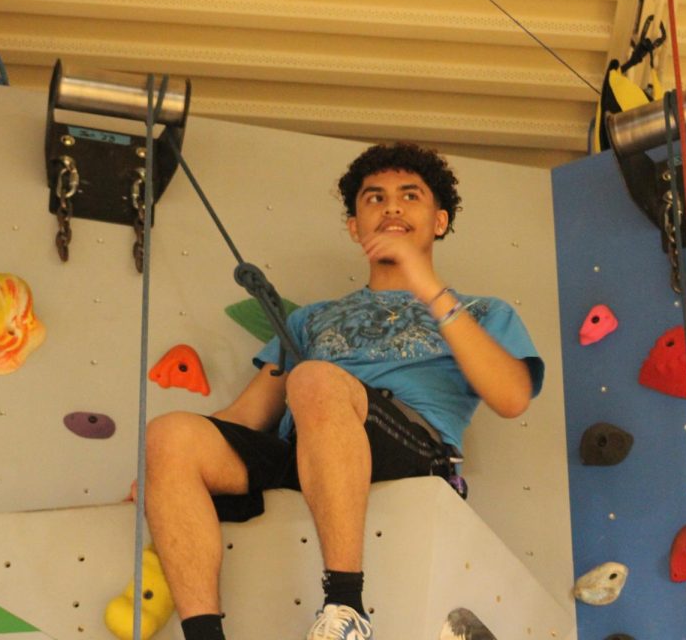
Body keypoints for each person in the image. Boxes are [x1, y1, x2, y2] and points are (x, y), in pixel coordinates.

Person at [144, 142, 544, 640]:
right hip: (311, 447)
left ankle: (345, 609)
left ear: (439, 221)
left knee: (313, 379)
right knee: (169, 433)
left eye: (410, 196)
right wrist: (166, 471)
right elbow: (246, 417)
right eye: (374, 198)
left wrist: (425, 283)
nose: (392, 207)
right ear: (355, 227)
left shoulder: (483, 311)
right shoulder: (308, 319)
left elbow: (512, 397)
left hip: (412, 447)